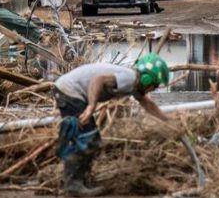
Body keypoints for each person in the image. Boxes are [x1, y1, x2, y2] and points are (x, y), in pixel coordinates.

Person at [54, 54, 172, 196]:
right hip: (70, 92)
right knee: (88, 138)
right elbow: (98, 80)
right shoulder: (130, 78)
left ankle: (79, 181)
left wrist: (169, 121)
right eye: (155, 85)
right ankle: (73, 185)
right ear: (147, 79)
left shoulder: (134, 83)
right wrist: (92, 106)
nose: (153, 90)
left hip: (66, 90)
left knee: (87, 138)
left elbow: (147, 104)